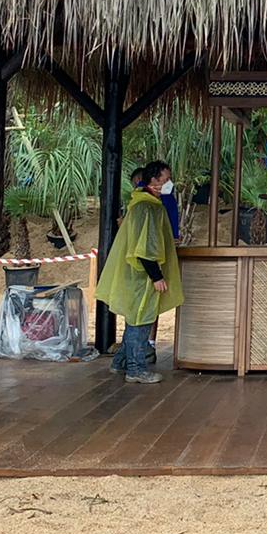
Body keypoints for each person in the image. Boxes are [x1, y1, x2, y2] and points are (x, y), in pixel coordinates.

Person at [95, 163, 186, 384]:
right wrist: (156, 276)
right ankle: (136, 369)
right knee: (141, 321)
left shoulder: (139, 204)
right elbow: (146, 248)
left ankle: (120, 363)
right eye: (165, 178)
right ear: (154, 180)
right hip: (142, 276)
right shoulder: (150, 208)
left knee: (134, 319)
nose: (168, 183)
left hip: (133, 274)